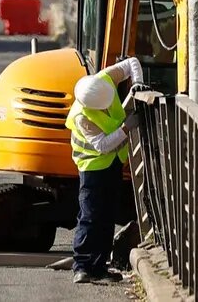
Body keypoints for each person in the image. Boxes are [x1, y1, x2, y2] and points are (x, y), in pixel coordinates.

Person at [66, 57, 143, 284]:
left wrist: (137, 83)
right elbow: (102, 145)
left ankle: (98, 267)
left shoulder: (104, 79)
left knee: (106, 215)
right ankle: (82, 266)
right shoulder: (82, 116)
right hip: (93, 167)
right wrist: (127, 127)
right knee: (91, 216)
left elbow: (132, 63)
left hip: (111, 163)